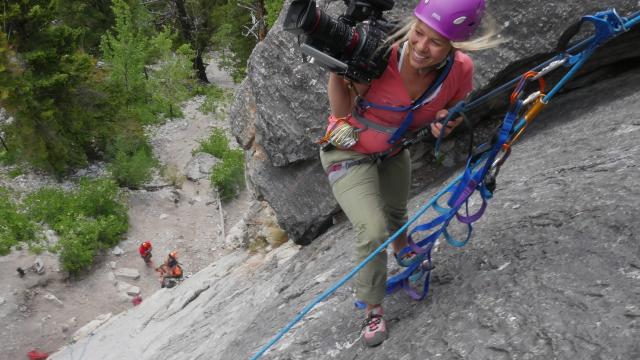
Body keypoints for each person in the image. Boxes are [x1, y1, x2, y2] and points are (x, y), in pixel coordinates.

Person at [319, 0, 502, 347]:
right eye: (418, 33)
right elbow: (341, 114)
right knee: (371, 231)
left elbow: (455, 108)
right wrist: (337, 70)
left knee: (396, 213)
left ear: (453, 45)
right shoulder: (380, 54)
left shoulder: (460, 69)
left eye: (435, 42)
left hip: (391, 150)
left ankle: (403, 248)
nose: (421, 46)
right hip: (347, 150)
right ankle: (373, 309)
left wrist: (446, 124)